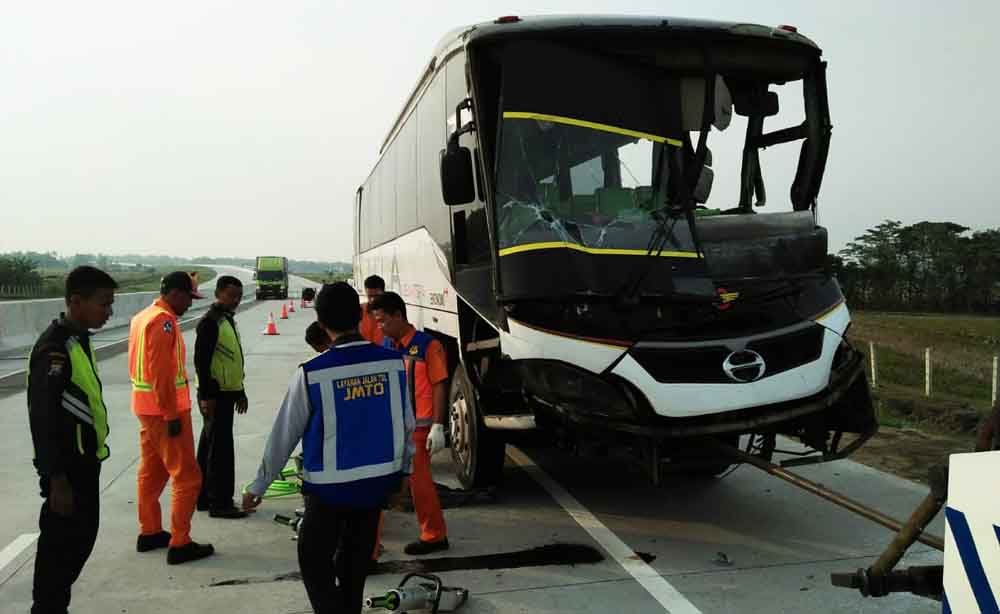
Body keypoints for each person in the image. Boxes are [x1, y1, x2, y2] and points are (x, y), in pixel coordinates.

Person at [243, 282, 414, 614]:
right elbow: (405, 424)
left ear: (321, 322)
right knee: (355, 563)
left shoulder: (312, 373)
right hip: (375, 486)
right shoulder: (394, 363)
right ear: (362, 314)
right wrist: (404, 473)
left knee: (312, 557)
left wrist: (260, 484)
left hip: (328, 490)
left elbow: (284, 434)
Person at [27, 266, 117, 614]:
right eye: (104, 303)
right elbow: (43, 419)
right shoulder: (55, 349)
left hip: (85, 464)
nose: (109, 311)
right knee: (58, 553)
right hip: (67, 472)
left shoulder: (79, 341)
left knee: (78, 546)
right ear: (76, 302)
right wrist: (56, 479)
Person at [128, 271, 214, 565]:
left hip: (145, 408)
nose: (190, 304)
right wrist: (171, 413)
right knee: (187, 476)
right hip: (166, 411)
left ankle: (150, 531)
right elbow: (161, 373)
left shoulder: (142, 317)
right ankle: (180, 542)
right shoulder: (163, 322)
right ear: (175, 293)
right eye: (189, 297)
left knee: (151, 473)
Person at [370, 291, 450, 555]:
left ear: (398, 316)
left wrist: (438, 425)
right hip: (393, 427)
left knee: (420, 485)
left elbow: (439, 384)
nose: (380, 326)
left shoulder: (428, 345)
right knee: (381, 484)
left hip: (419, 429)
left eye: (383, 321)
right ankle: (369, 544)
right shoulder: (386, 346)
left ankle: (434, 535)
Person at [194, 275, 249, 518]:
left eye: (238, 295)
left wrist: (240, 391)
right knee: (220, 451)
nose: (236, 300)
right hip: (215, 396)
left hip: (226, 393)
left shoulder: (226, 319)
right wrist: (207, 396)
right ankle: (220, 502)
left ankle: (204, 496)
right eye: (231, 295)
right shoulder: (211, 322)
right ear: (218, 294)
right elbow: (201, 362)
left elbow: (229, 360)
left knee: (209, 445)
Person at [359, 275, 385, 346]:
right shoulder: (358, 310)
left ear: (384, 293)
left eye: (377, 296)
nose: (373, 300)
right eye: (370, 296)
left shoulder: (392, 313)